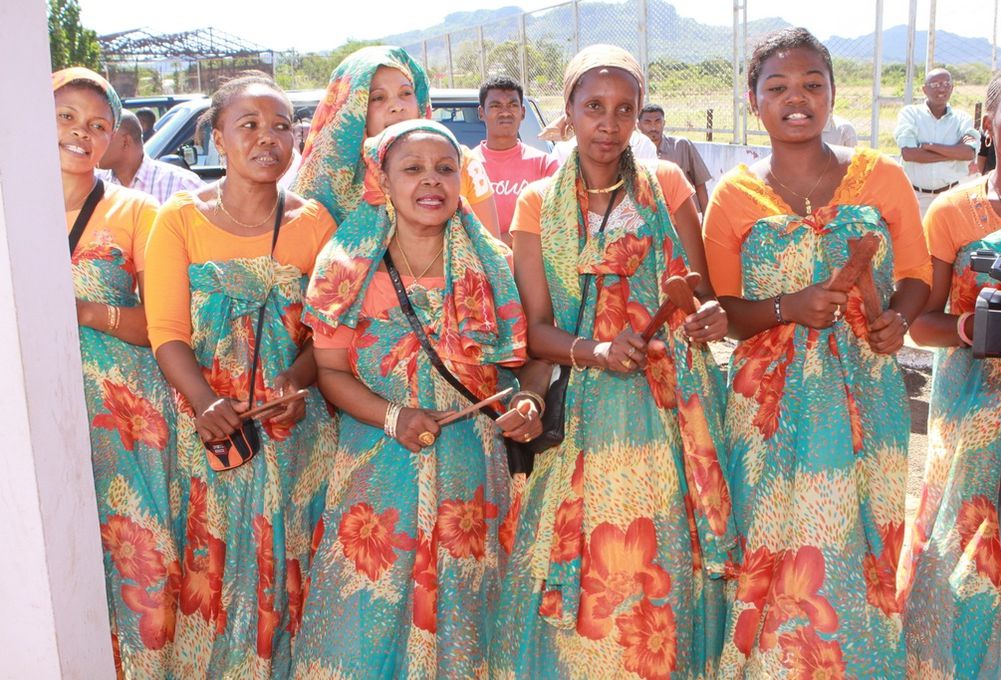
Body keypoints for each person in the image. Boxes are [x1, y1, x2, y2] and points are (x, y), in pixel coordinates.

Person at [490, 45, 738, 678]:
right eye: (593, 107)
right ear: (567, 111)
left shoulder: (667, 186)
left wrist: (704, 315)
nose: (609, 123)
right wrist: (595, 350)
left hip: (667, 408)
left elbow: (698, 290)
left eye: (624, 109)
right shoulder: (538, 203)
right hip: (580, 414)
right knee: (588, 566)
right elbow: (533, 330)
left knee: (662, 558)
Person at [702, 28, 932, 677]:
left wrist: (899, 321)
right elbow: (727, 312)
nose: (795, 99)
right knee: (768, 550)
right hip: (766, 412)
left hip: (867, 394)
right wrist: (787, 308)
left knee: (861, 541)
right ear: (753, 101)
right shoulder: (733, 196)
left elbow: (915, 274)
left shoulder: (881, 176)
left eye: (811, 84)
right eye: (776, 87)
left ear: (833, 93)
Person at [291, 119, 545, 677]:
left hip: (472, 474)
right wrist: (392, 415)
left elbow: (527, 359)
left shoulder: (494, 264)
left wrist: (529, 402)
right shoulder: (346, 266)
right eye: (412, 169)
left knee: (471, 610)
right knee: (366, 614)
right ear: (382, 180)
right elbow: (330, 371)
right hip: (378, 473)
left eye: (445, 169)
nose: (431, 181)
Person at [144, 73, 338, 677]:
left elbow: (326, 335)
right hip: (211, 431)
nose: (268, 138)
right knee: (215, 562)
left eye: (282, 125)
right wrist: (206, 405)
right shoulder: (178, 218)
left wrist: (299, 382)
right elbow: (167, 332)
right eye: (248, 125)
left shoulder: (315, 224)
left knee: (291, 563)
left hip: (293, 433)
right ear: (217, 138)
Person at [53, 67, 179, 677]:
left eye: (99, 125)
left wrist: (79, 309)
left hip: (122, 416)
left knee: (135, 556)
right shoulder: (13, 209)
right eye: (67, 117)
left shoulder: (138, 211)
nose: (83, 133)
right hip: (37, 411)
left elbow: (161, 324)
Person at [902, 63, 1001, 678]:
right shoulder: (951, 212)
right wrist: (975, 328)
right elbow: (921, 323)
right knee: (964, 544)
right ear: (988, 123)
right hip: (972, 407)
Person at [294, 45, 500, 237]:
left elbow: (493, 254)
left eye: (406, 93)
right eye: (377, 98)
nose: (397, 106)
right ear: (352, 110)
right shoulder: (325, 183)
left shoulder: (459, 162)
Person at [475, 75, 559, 243]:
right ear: (481, 113)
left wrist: (496, 242)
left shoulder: (545, 165)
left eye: (512, 105)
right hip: (480, 267)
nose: (505, 112)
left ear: (523, 112)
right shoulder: (467, 165)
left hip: (532, 266)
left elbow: (556, 224)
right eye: (495, 105)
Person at [895, 68, 981, 214]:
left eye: (946, 84)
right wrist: (954, 151)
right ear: (924, 90)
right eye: (935, 84)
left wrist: (929, 147)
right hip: (917, 196)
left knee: (951, 236)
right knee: (917, 236)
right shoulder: (910, 114)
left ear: (952, 88)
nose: (941, 88)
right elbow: (909, 154)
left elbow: (968, 153)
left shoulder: (962, 119)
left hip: (951, 195)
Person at [97, 110, 204, 204]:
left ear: (125, 141)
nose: (93, 143)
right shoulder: (94, 185)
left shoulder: (181, 184)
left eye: (102, 136)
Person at [637, 103, 712, 212]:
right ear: (639, 125)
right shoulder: (633, 152)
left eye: (658, 121)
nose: (653, 127)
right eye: (647, 122)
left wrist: (706, 219)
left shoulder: (682, 146)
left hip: (686, 215)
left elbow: (700, 184)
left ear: (664, 123)